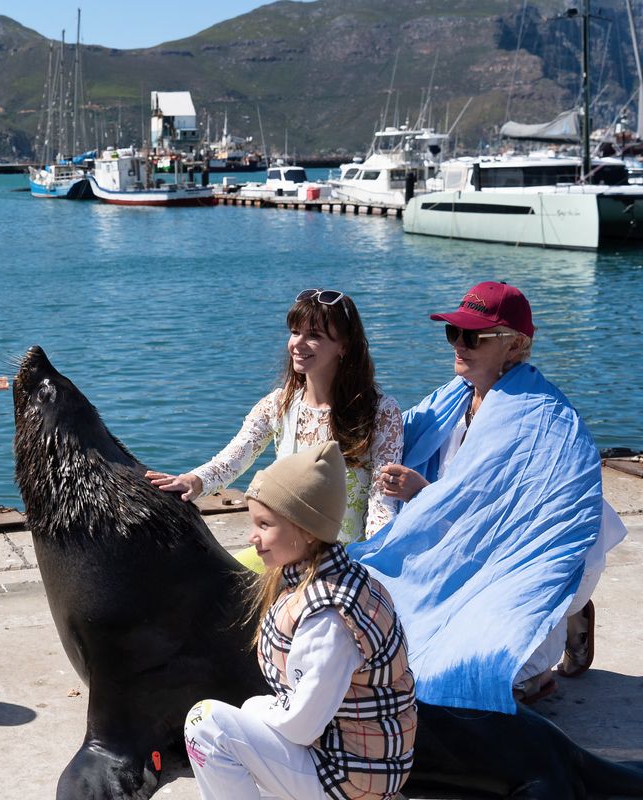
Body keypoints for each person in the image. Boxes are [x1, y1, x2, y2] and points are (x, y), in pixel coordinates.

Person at [361, 281, 626, 710]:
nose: (459, 346)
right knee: (385, 633)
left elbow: (511, 524)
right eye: (454, 333)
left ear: (516, 346)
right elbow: (385, 432)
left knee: (487, 676)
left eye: (474, 336)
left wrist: (422, 494)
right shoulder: (454, 399)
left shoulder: (538, 419)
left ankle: (562, 621)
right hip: (477, 553)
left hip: (543, 561)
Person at [184, 441, 416, 800]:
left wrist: (254, 707)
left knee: (205, 724)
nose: (252, 537)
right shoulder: (344, 578)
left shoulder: (328, 616)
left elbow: (301, 724)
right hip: (357, 760)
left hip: (351, 778)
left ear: (307, 531)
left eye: (265, 524)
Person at [149, 289, 402, 543]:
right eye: (295, 332)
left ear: (344, 347)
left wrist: (370, 564)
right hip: (284, 552)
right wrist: (194, 481)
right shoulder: (278, 404)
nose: (297, 344)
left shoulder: (380, 412)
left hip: (343, 560)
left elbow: (382, 504)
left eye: (313, 335)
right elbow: (234, 459)